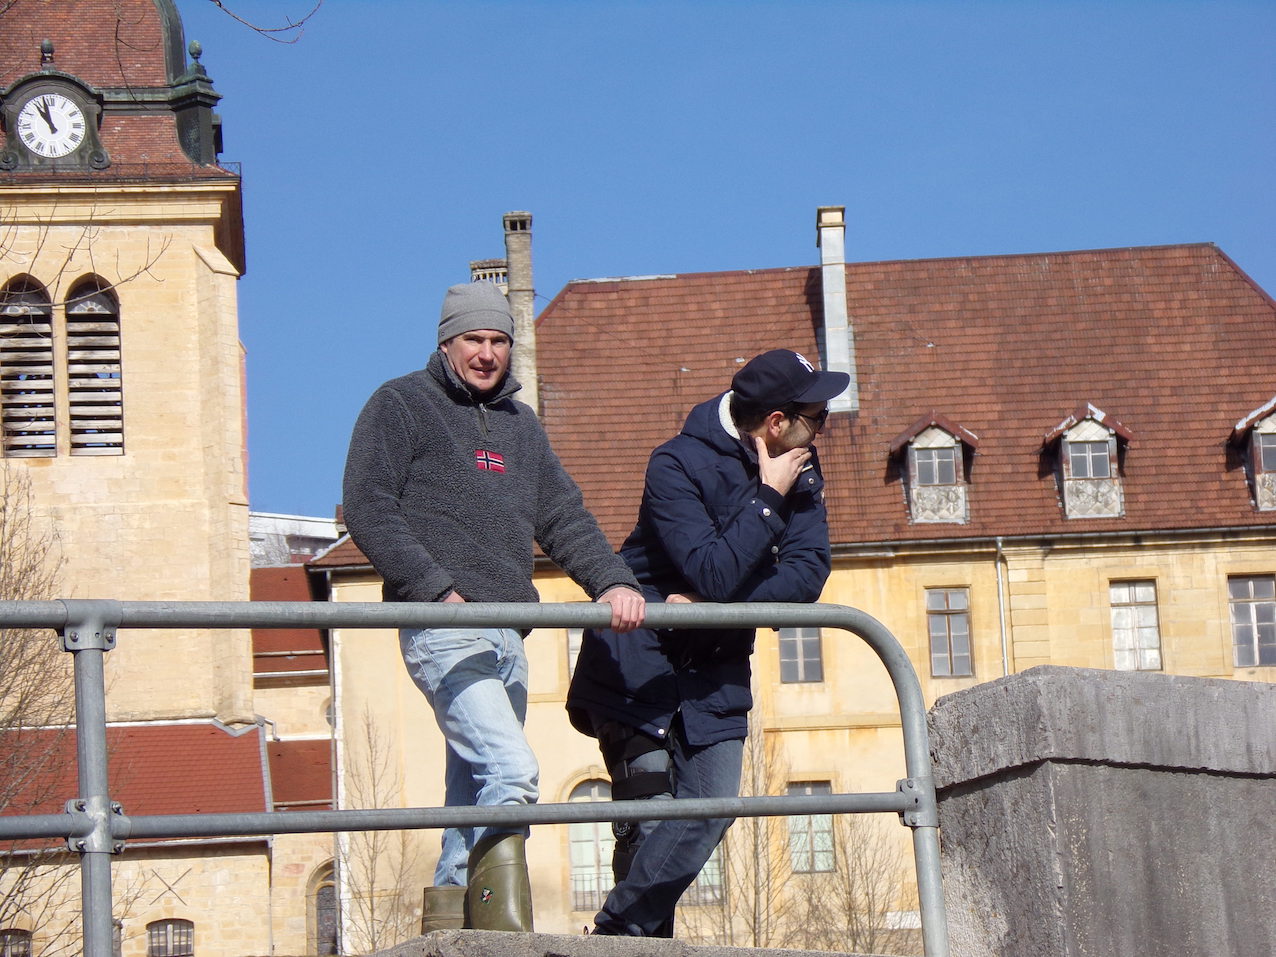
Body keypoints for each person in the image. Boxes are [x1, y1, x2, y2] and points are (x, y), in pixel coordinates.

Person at [342, 281, 645, 933]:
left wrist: (612, 583)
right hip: (445, 627)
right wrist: (433, 588)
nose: (486, 353)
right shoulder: (401, 404)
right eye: (473, 339)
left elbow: (563, 515)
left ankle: (450, 919)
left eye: (499, 340)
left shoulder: (520, 425)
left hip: (510, 637)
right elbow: (368, 505)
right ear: (446, 342)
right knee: (513, 771)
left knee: (475, 787)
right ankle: (500, 929)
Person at [566, 348, 846, 937]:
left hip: (716, 670)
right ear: (776, 422)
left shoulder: (801, 465)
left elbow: (807, 573)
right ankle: (628, 944)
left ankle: (613, 934)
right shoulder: (675, 463)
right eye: (816, 416)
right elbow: (712, 570)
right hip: (636, 667)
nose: (822, 427)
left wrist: (713, 608)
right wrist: (767, 496)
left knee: (712, 809)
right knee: (649, 822)